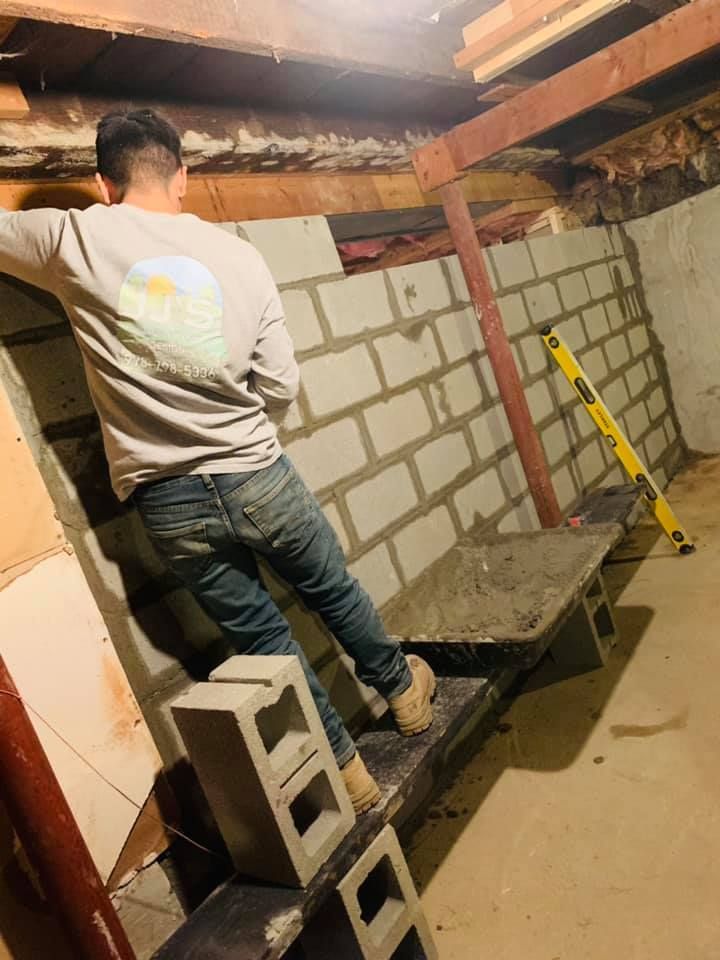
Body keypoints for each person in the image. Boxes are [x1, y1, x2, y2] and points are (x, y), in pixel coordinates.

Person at [0, 109, 436, 813]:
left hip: (167, 502)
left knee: (262, 639)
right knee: (331, 592)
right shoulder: (238, 257)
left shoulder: (72, 237)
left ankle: (349, 775)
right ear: (182, 175)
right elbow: (280, 386)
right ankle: (405, 695)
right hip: (258, 475)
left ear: (103, 183)